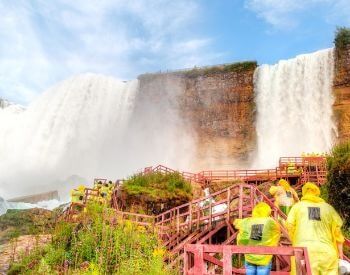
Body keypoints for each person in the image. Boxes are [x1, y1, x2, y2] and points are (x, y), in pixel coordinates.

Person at [286, 182, 344, 275]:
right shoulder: (329, 208)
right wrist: (340, 254)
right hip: (327, 252)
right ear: (317, 193)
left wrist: (296, 240)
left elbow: (289, 225)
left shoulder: (297, 207)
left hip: (304, 252)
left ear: (304, 192)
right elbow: (338, 233)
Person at [234, 202, 281, 275]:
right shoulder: (270, 222)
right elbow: (277, 233)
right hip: (264, 258)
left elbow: (237, 225)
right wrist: (272, 245)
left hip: (249, 257)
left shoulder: (247, 221)